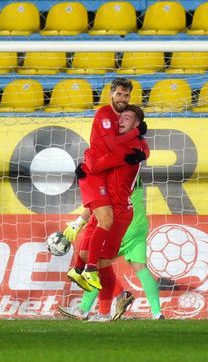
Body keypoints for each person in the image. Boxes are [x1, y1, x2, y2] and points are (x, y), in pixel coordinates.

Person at [60, 107, 162, 322]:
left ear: (137, 125)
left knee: (99, 262)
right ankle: (148, 310)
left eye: (126, 118)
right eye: (119, 118)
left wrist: (87, 162)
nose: (120, 121)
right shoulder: (131, 146)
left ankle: (98, 310)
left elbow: (98, 164)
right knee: (98, 257)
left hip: (120, 212)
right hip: (113, 210)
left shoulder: (129, 147)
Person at [72, 78, 146, 290]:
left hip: (121, 206)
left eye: (126, 96)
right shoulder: (107, 115)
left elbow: (133, 150)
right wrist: (87, 164)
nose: (122, 99)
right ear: (111, 94)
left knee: (99, 252)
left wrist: (141, 151)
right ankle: (85, 272)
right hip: (98, 180)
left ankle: (84, 272)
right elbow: (110, 146)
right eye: (120, 95)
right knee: (98, 243)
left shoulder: (132, 143)